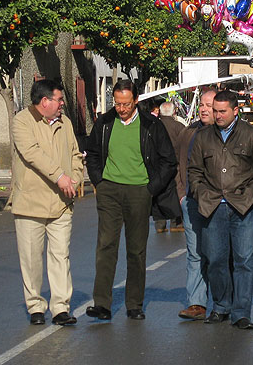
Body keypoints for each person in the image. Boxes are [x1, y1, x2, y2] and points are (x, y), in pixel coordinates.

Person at [85, 79, 177, 321]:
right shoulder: (104, 122)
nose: (121, 108)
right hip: (109, 190)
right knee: (106, 246)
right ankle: (102, 303)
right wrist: (99, 181)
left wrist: (151, 188)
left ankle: (134, 304)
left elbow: (169, 161)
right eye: (117, 103)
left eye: (126, 104)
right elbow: (92, 153)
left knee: (136, 250)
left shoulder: (151, 125)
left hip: (139, 191)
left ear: (136, 100)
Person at [188, 90, 253, 330]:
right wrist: (201, 193)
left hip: (243, 208)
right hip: (212, 207)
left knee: (244, 261)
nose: (217, 115)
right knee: (215, 260)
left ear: (235, 111)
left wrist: (252, 195)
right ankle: (221, 306)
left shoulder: (252, 135)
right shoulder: (203, 137)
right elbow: (194, 170)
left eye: (222, 111)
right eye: (215, 111)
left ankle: (241, 312)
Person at [10, 79, 83, 326]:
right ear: (45, 102)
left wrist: (74, 176)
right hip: (30, 203)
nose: (63, 104)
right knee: (31, 258)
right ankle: (35, 307)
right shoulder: (22, 121)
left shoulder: (66, 123)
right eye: (59, 99)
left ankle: (61, 307)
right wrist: (60, 176)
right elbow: (32, 154)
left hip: (61, 203)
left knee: (61, 256)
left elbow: (75, 153)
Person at [176, 89, 216, 321]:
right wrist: (181, 193)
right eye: (201, 104)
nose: (203, 109)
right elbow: (177, 162)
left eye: (208, 105)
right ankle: (197, 303)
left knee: (220, 253)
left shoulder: (227, 133)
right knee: (195, 253)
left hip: (220, 203)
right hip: (191, 201)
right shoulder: (188, 132)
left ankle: (223, 301)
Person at [153, 101, 184, 233]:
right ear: (173, 112)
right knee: (176, 192)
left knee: (159, 193)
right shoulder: (179, 127)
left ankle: (160, 224)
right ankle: (176, 223)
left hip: (157, 165)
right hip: (174, 164)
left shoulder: (153, 126)